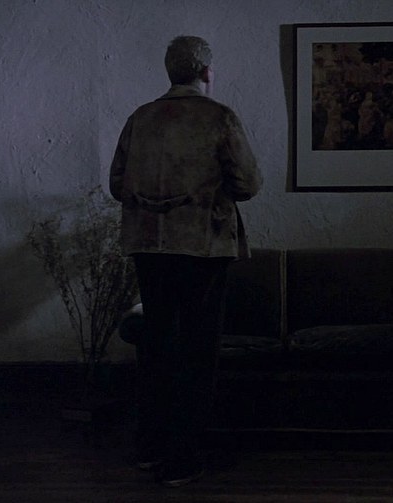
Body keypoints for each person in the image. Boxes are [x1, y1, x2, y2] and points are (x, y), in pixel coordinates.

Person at [109, 35, 261, 487]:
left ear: (170, 71)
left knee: (158, 347)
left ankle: (150, 447)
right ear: (206, 72)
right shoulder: (219, 117)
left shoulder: (140, 118)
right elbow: (249, 184)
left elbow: (117, 184)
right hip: (202, 248)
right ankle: (184, 457)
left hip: (149, 248)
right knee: (197, 352)